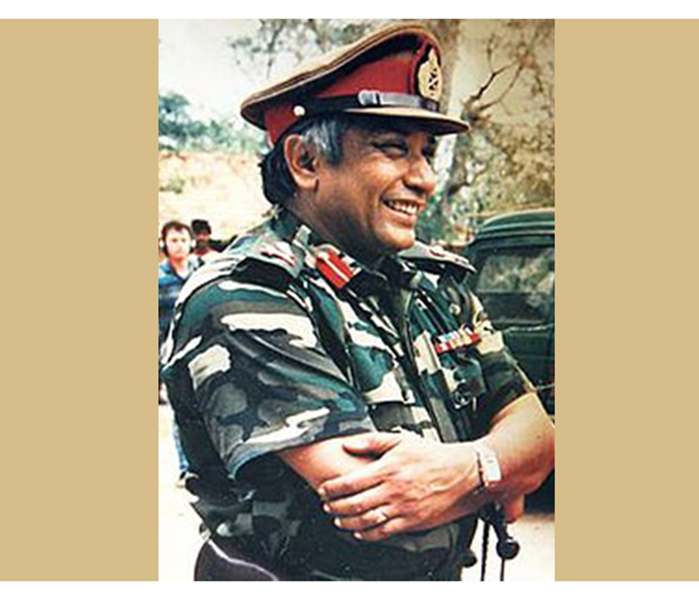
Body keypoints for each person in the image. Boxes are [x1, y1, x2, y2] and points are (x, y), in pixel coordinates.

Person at [160, 23, 555, 581]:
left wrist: (475, 468)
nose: (423, 179)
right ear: (305, 162)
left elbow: (539, 436)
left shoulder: (433, 282)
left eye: (426, 154)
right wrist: (500, 474)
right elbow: (390, 518)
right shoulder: (245, 295)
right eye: (393, 149)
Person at [158, 220, 199, 483]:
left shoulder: (204, 271)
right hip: (172, 350)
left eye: (183, 240)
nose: (179, 245)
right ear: (164, 244)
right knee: (182, 411)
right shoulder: (158, 279)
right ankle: (187, 468)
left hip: (203, 347)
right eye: (174, 240)